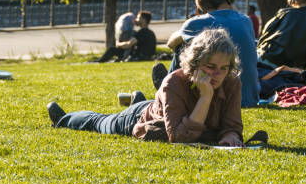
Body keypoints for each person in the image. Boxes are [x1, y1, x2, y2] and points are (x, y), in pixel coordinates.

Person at [47, 28, 244, 146]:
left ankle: (142, 100)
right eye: (210, 67)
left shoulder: (231, 82)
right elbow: (179, 137)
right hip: (139, 118)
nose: (218, 75)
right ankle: (64, 118)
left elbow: (232, 125)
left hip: (163, 108)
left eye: (224, 68)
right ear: (195, 63)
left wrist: (231, 135)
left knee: (154, 103)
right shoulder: (174, 82)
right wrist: (205, 97)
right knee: (99, 123)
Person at [158, 0, 260, 108]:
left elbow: (171, 44)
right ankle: (167, 86)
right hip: (250, 98)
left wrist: (183, 36)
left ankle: (168, 87)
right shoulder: (246, 21)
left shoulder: (196, 23)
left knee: (181, 46)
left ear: (201, 6)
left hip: (222, 100)